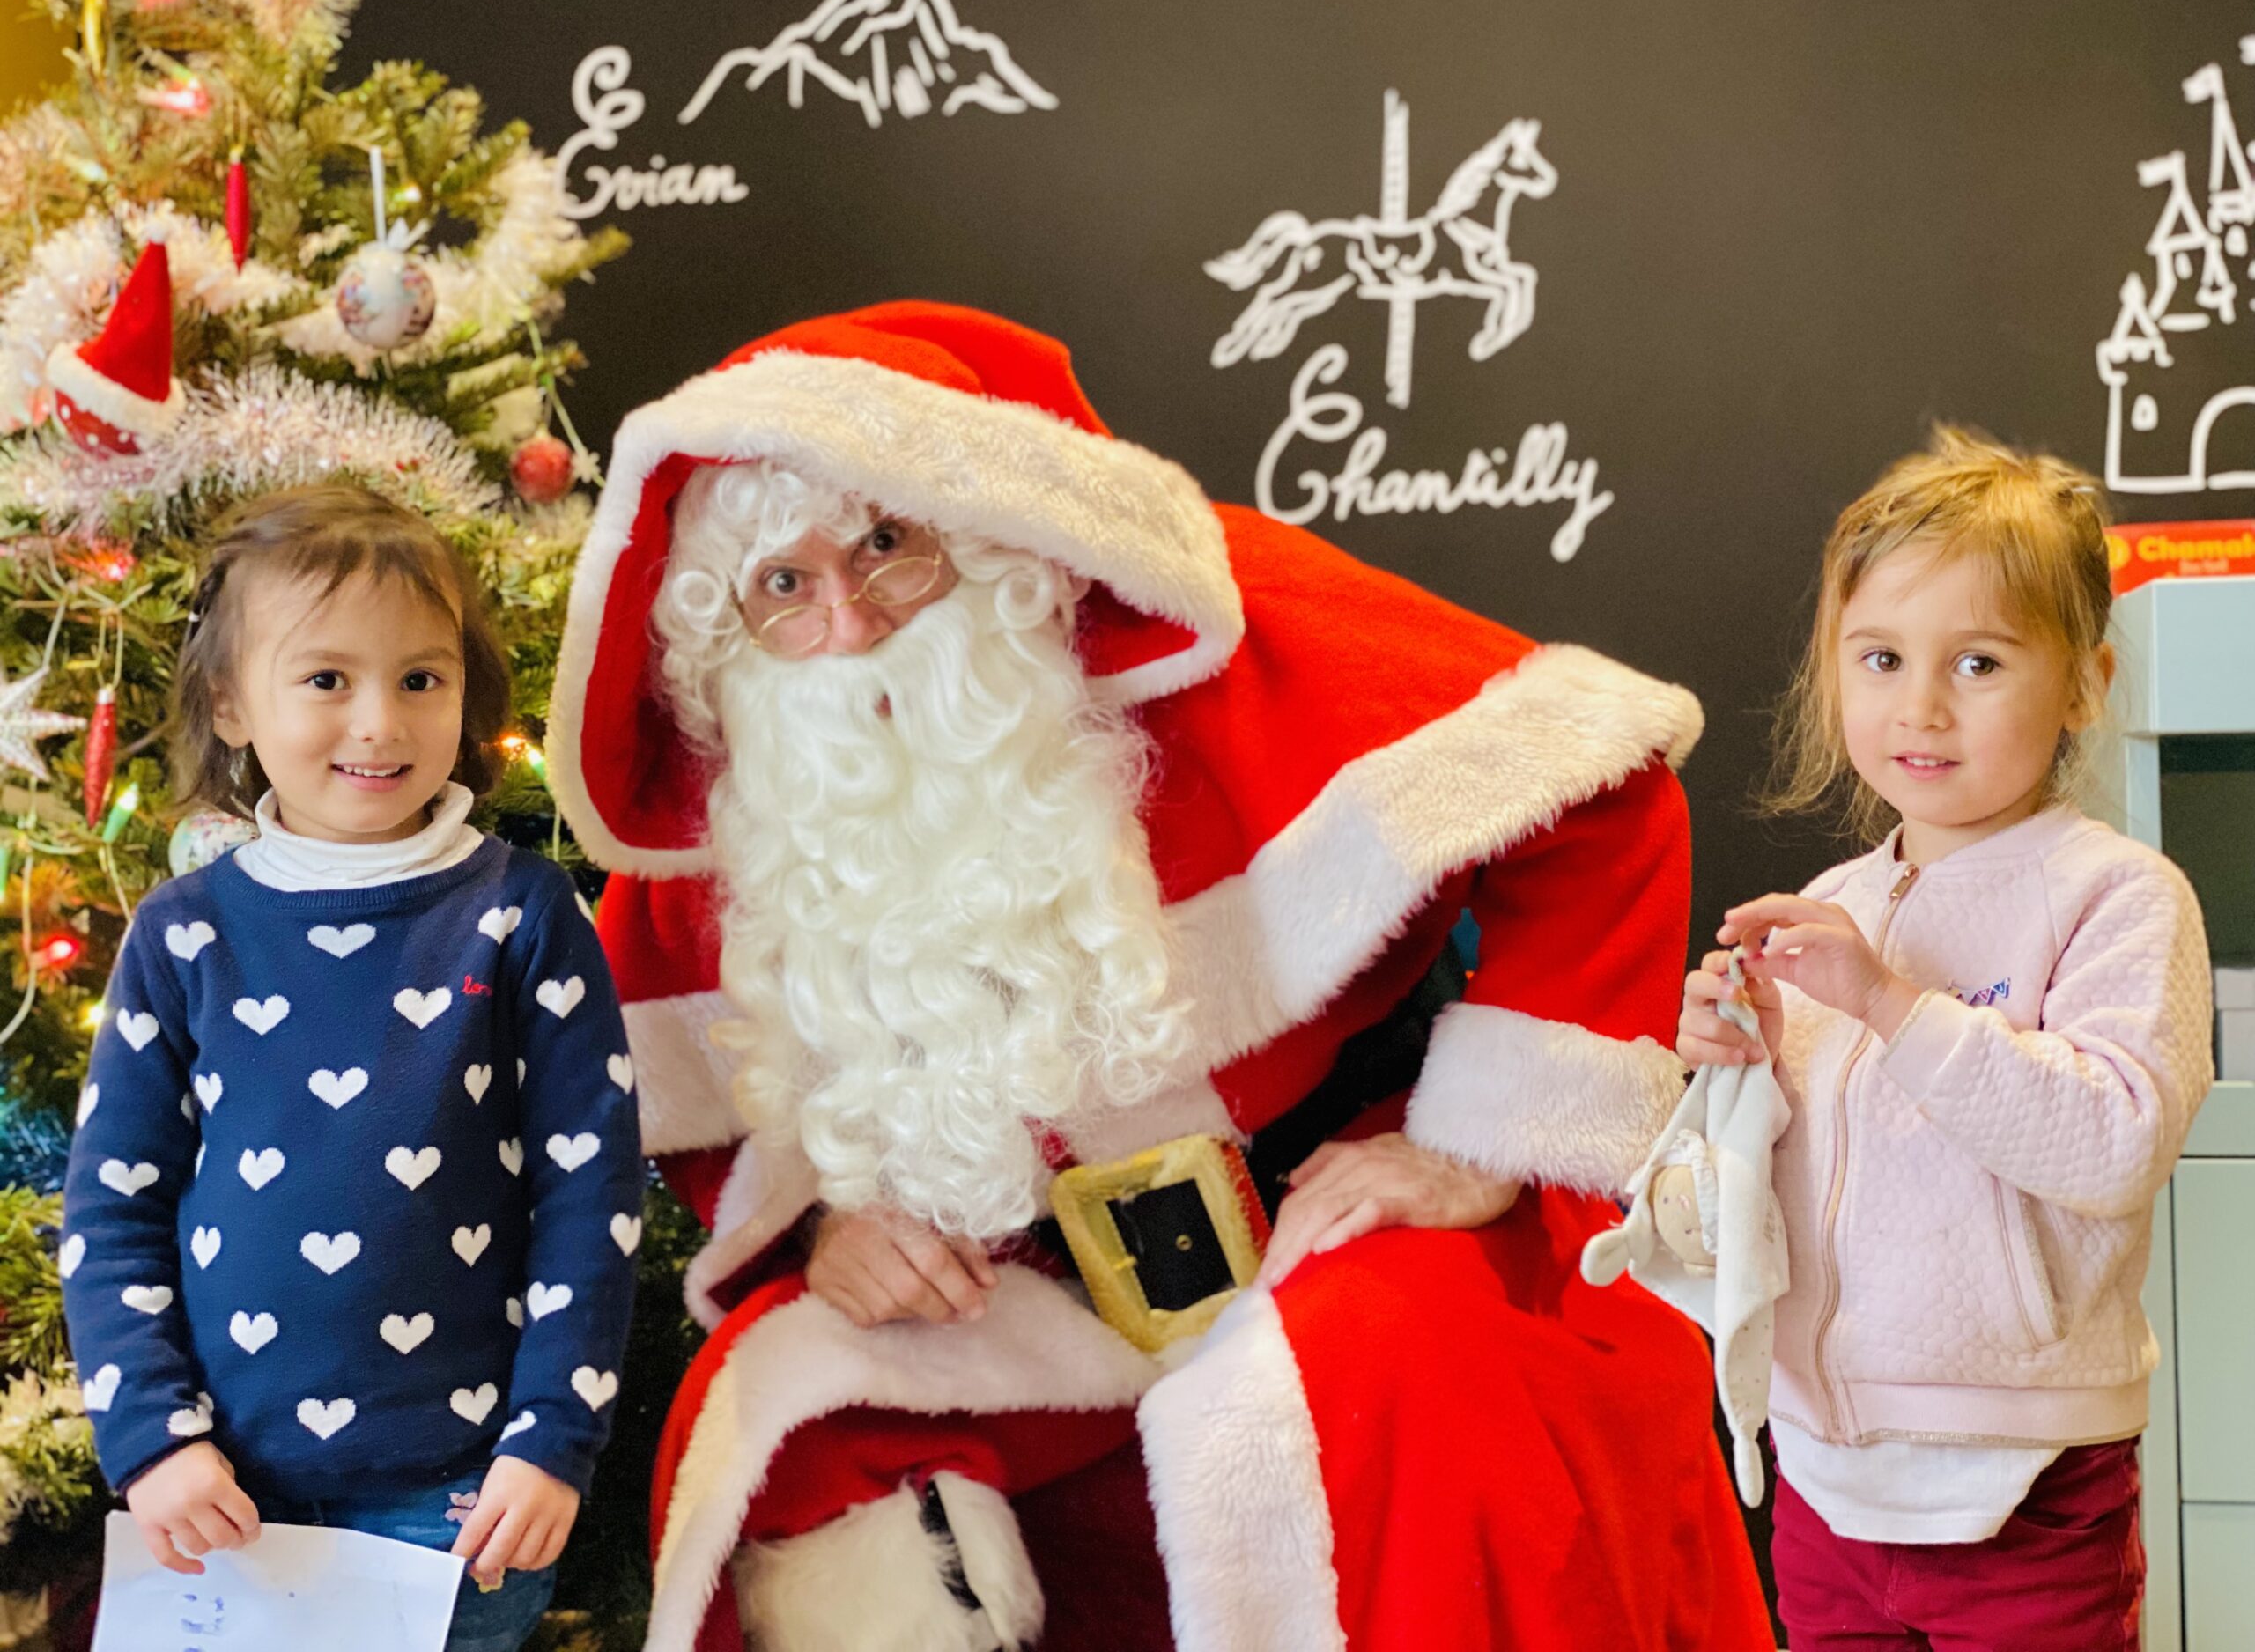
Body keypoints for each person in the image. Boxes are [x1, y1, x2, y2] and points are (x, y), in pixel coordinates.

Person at [548, 302, 1771, 1652]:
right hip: (1036, 1294)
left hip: (1330, 1209)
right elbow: (704, 1101)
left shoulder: (1205, 621)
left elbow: (1598, 779)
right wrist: (830, 1232)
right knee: (782, 1413)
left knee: (1383, 1391)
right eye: (783, 587)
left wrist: (1476, 1146)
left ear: (971, 524)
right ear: (727, 630)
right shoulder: (746, 811)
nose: (850, 618)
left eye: (886, 545)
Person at [59, 485, 644, 1652]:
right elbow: (111, 1208)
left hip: (461, 1502)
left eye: (419, 680)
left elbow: (592, 1203)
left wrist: (549, 1440)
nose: (379, 723)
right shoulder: (184, 934)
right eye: (327, 680)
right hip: (226, 1497)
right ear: (232, 704)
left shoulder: (522, 915)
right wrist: (154, 1439)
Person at [1675, 427, 2214, 1651]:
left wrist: (1889, 1007)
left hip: (2024, 1477)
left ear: (2083, 683)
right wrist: (1732, 1070)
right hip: (1826, 1468)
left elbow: (2115, 1142)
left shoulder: (2120, 896)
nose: (1919, 705)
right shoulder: (1841, 905)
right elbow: (1783, 1189)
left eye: (1977, 661)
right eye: (1880, 658)